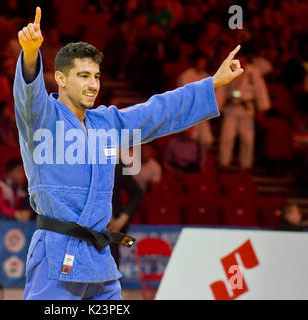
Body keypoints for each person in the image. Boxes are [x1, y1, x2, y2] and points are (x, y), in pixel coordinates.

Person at [15, 7, 243, 300]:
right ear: (60, 79)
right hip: (57, 256)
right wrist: (31, 54)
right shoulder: (43, 118)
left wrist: (212, 84)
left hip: (100, 261)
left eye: (96, 76)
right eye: (83, 76)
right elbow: (27, 95)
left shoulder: (106, 123)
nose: (93, 84)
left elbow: (156, 111)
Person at [217, 50, 271, 171]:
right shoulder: (228, 69)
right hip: (231, 107)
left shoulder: (254, 72)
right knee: (227, 137)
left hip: (247, 109)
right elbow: (222, 88)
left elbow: (260, 90)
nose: (241, 60)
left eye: (243, 57)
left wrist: (262, 108)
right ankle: (224, 163)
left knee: (247, 139)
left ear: (247, 58)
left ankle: (245, 165)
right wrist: (218, 107)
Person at [108, 159, 144, 268]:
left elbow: (137, 192)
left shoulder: (115, 164)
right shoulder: (79, 163)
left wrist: (123, 218)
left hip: (110, 230)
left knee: (111, 277)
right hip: (85, 229)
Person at [177, 52, 214, 153]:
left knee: (207, 140)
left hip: (202, 113)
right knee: (192, 138)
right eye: (200, 61)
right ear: (195, 62)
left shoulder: (206, 76)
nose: (202, 64)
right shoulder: (186, 75)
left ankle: (202, 161)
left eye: (204, 62)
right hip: (189, 112)